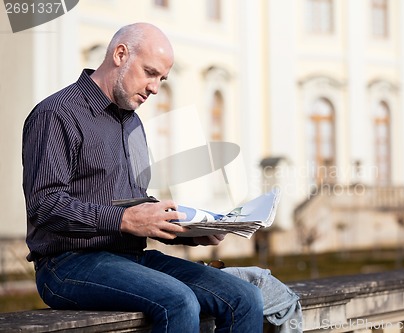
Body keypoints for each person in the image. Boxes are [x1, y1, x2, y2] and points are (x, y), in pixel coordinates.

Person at [22, 22, 264, 333]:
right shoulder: (56, 114)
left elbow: (136, 206)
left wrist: (188, 230)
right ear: (120, 54)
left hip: (131, 258)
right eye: (150, 73)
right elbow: (44, 206)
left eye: (162, 79)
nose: (155, 88)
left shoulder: (133, 124)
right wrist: (123, 220)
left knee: (244, 297)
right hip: (65, 265)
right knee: (179, 301)